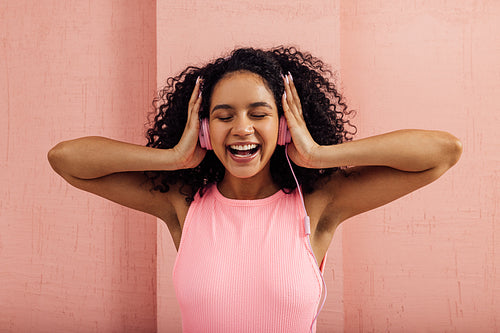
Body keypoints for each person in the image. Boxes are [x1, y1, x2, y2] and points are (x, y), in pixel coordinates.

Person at [47, 46, 462, 333]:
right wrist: (172, 157)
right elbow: (66, 159)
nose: (242, 128)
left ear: (283, 125)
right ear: (206, 131)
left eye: (259, 114)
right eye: (224, 116)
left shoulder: (317, 204)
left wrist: (319, 153)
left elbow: (442, 151)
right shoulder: (183, 204)